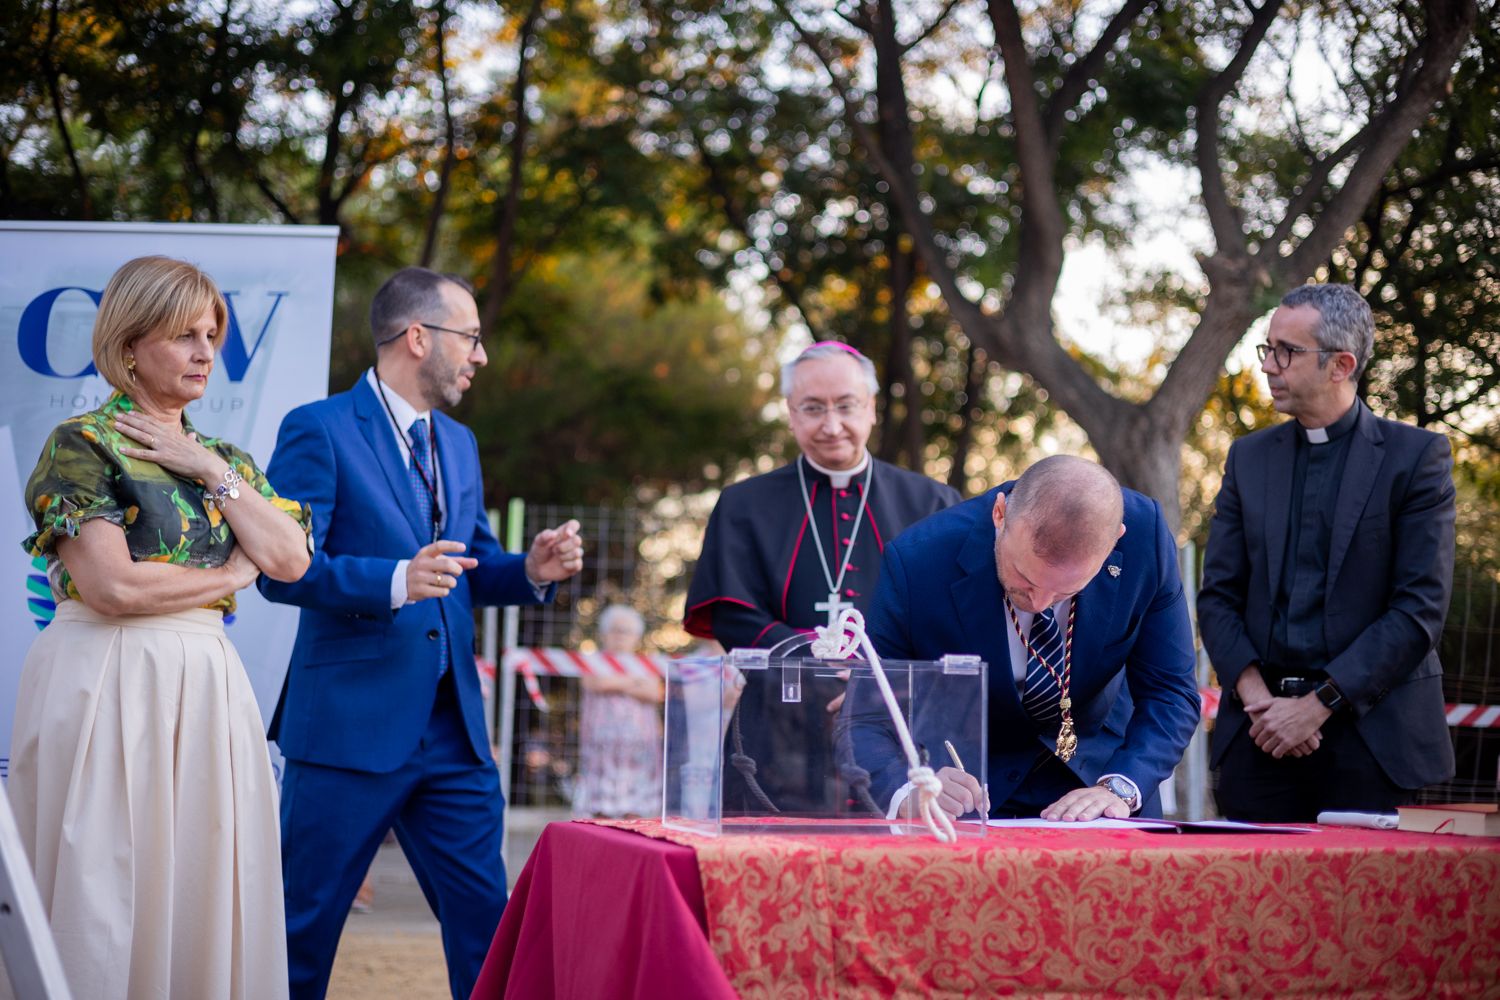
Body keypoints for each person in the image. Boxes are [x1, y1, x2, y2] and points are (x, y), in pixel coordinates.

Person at [257, 267, 584, 1000]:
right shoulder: (318, 429)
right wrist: (392, 581)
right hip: (347, 730)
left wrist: (529, 569)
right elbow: (281, 573)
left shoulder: (460, 443)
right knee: (299, 933)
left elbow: (467, 568)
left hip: (454, 739)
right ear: (417, 337)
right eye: (470, 338)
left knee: (490, 928)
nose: (480, 355)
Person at [7, 255, 311, 1000]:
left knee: (202, 881)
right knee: (101, 881)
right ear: (130, 344)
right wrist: (230, 578)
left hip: (206, 686)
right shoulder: (79, 444)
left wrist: (208, 470)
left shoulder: (227, 458)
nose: (206, 351)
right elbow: (111, 585)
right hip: (105, 675)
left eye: (212, 334)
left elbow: (290, 557)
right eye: (184, 335)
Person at [1198, 284, 1456, 822]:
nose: (1268, 365)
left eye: (1285, 351)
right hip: (1260, 740)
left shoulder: (1416, 459)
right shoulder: (1248, 459)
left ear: (1340, 365)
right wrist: (1259, 702)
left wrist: (1316, 707)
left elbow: (1418, 611)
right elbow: (1218, 596)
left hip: (1372, 742)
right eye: (1266, 348)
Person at [683, 341, 960, 812]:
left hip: (899, 726)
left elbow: (952, 618)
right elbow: (731, 613)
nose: (831, 426)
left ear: (871, 409)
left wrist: (877, 681)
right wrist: (816, 661)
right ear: (791, 413)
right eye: (812, 409)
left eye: (846, 406)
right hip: (778, 732)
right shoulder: (744, 505)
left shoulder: (933, 504)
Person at [857, 456, 1200, 820]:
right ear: (1000, 514)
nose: (1038, 603)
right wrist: (907, 792)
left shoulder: (1146, 538)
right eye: (1024, 578)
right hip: (968, 793)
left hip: (1103, 779)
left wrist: (1123, 784)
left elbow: (1171, 690)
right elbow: (867, 713)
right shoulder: (918, 560)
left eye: (1065, 592)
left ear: (1115, 540)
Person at [572, 604, 663, 818]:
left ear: (637, 636)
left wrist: (616, 682)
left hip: (639, 750)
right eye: (615, 630)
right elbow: (596, 683)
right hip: (601, 750)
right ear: (604, 634)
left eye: (627, 631)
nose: (621, 636)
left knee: (636, 811)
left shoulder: (646, 662)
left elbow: (654, 692)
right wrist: (634, 682)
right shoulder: (593, 660)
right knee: (600, 809)